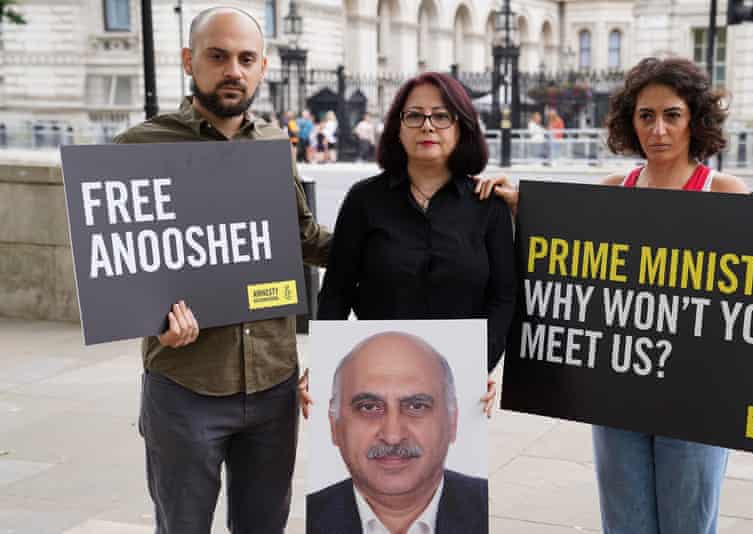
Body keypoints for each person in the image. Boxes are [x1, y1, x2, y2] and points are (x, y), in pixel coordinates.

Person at [476, 56, 753, 534]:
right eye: (646, 116)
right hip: (618, 395)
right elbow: (560, 238)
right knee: (625, 525)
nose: (658, 130)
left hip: (699, 403)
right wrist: (513, 200)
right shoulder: (612, 191)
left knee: (688, 525)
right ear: (631, 122)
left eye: (672, 115)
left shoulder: (724, 191)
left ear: (694, 120)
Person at [113, 7, 331, 533]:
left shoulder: (275, 144)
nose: (233, 70)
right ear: (190, 61)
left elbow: (301, 238)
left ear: (261, 67)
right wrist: (153, 317)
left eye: (245, 59)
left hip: (273, 385)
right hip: (185, 387)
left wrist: (395, 234)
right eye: (218, 56)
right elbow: (115, 272)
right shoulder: (137, 149)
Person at [313, 72, 515, 419]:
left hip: (459, 383)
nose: (427, 126)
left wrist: (480, 365)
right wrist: (322, 369)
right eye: (415, 115)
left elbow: (503, 296)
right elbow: (336, 292)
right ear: (398, 127)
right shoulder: (364, 200)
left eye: (441, 116)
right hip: (375, 379)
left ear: (461, 127)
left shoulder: (489, 205)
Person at [307, 331, 488, 534]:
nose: (393, 436)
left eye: (416, 406)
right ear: (334, 424)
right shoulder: (310, 516)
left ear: (452, 420)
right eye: (368, 407)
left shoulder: (487, 508)